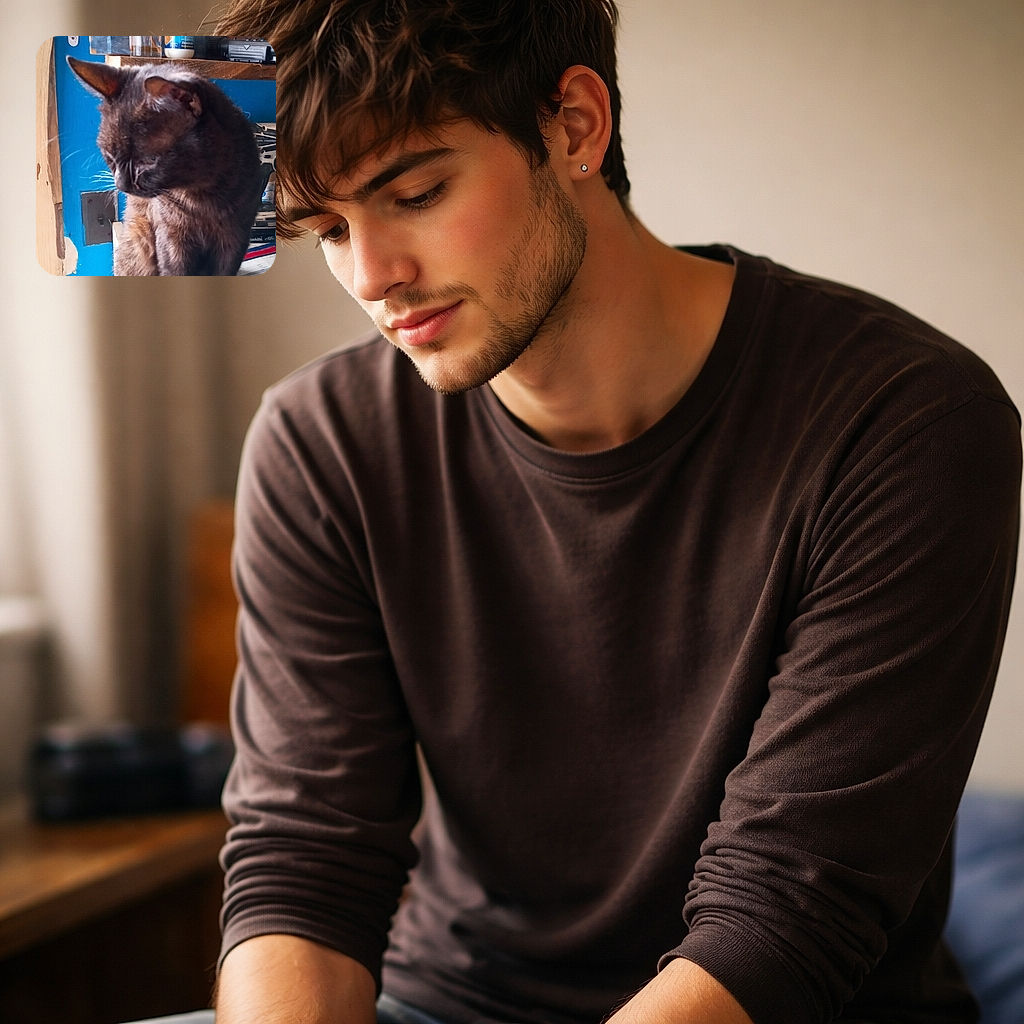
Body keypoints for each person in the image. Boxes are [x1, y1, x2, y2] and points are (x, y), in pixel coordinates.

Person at [208, 2, 1022, 1022]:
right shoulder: (318, 443)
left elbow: (786, 918)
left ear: (575, 127)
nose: (371, 278)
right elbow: (304, 858)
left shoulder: (905, 419)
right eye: (327, 231)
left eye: (413, 192)